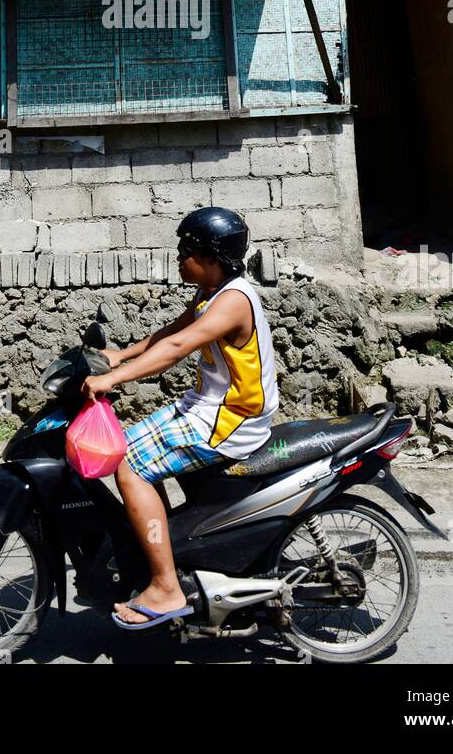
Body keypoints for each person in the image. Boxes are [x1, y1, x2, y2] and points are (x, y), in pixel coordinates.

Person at [81, 206, 278, 631]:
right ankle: (166, 548)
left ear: (209, 257)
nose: (178, 257)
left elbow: (177, 349)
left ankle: (166, 586)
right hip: (206, 407)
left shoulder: (233, 302)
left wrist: (114, 378)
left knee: (128, 465)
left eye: (185, 250)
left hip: (231, 419)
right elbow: (171, 331)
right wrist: (121, 354)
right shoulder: (213, 293)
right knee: (123, 444)